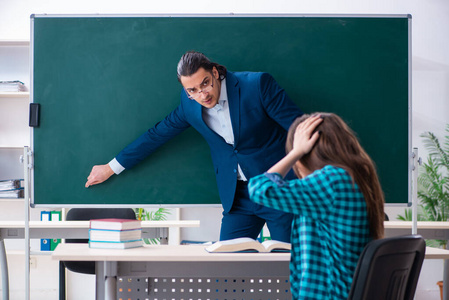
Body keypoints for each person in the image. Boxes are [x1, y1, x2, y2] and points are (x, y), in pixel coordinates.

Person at [85, 51, 303, 242]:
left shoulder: (256, 86)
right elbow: (157, 134)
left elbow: (301, 130)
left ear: (216, 73)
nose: (202, 94)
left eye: (205, 83)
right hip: (238, 198)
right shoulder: (189, 105)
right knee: (229, 272)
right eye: (193, 90)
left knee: (290, 266)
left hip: (278, 190)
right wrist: (111, 167)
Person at [248, 113, 385, 299]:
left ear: (309, 150)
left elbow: (260, 189)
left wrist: (295, 152)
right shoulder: (357, 177)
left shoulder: (331, 181)